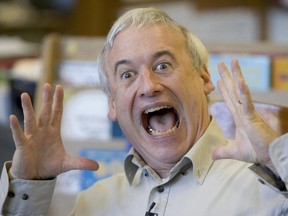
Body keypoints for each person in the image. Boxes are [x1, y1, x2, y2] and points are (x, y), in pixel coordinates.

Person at [1, 7, 287, 216]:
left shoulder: (270, 187)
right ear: (112, 105)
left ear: (204, 79)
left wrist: (278, 162)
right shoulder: (92, 205)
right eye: (127, 75)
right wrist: (29, 188)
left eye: (163, 65)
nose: (149, 86)